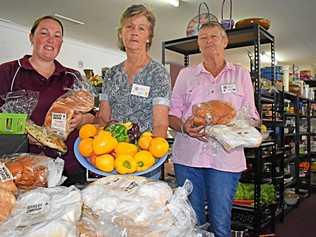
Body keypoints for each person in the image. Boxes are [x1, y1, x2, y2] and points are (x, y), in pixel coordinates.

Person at [168, 21, 260, 237]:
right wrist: (183, 125)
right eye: (203, 38)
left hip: (226, 160)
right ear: (198, 44)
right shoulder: (186, 75)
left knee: (221, 221)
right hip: (188, 158)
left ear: (225, 41)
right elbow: (172, 114)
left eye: (214, 36)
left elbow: (253, 116)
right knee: (193, 221)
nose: (209, 41)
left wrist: (234, 125)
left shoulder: (241, 75)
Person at [0, 16, 95, 185]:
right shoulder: (8, 72)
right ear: (31, 37)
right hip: (23, 169)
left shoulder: (73, 77)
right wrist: (24, 134)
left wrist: (81, 120)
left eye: (57, 35)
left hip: (70, 167)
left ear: (61, 42)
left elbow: (93, 117)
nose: (51, 39)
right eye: (44, 33)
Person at [97, 4, 171, 138]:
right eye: (129, 27)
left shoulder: (158, 73)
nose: (134, 32)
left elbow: (160, 124)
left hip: (144, 153)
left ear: (149, 37)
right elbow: (103, 118)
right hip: (112, 151)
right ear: (121, 33)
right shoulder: (111, 74)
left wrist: (155, 154)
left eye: (141, 28)